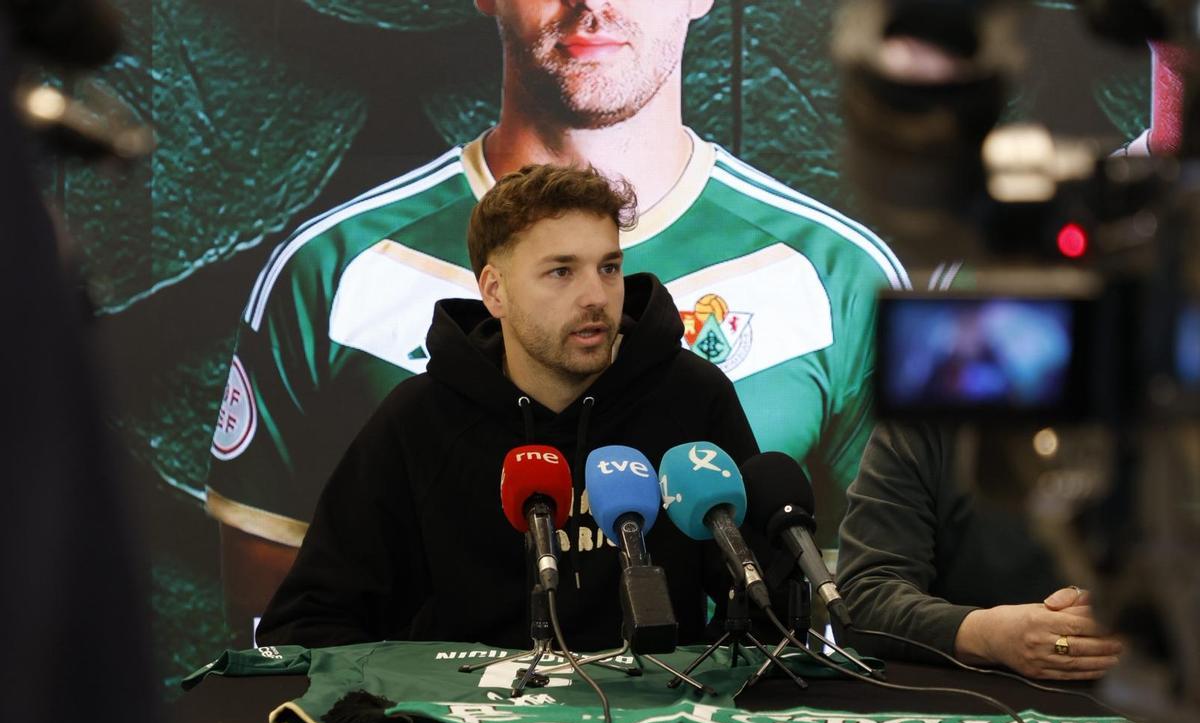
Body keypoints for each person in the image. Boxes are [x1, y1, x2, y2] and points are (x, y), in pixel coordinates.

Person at [211, 0, 907, 643]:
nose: (591, 4)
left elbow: (868, 589)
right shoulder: (335, 266)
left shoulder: (838, 275)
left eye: (606, 269)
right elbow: (280, 601)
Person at [255, 164, 759, 649]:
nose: (596, 296)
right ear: (495, 291)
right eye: (561, 271)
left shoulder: (692, 397)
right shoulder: (421, 419)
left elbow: (765, 604)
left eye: (609, 267)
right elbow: (309, 622)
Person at [835, 422, 1123, 681]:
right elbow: (862, 601)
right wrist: (985, 634)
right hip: (961, 707)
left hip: (1141, 706)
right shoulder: (922, 423)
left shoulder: (1158, 423)